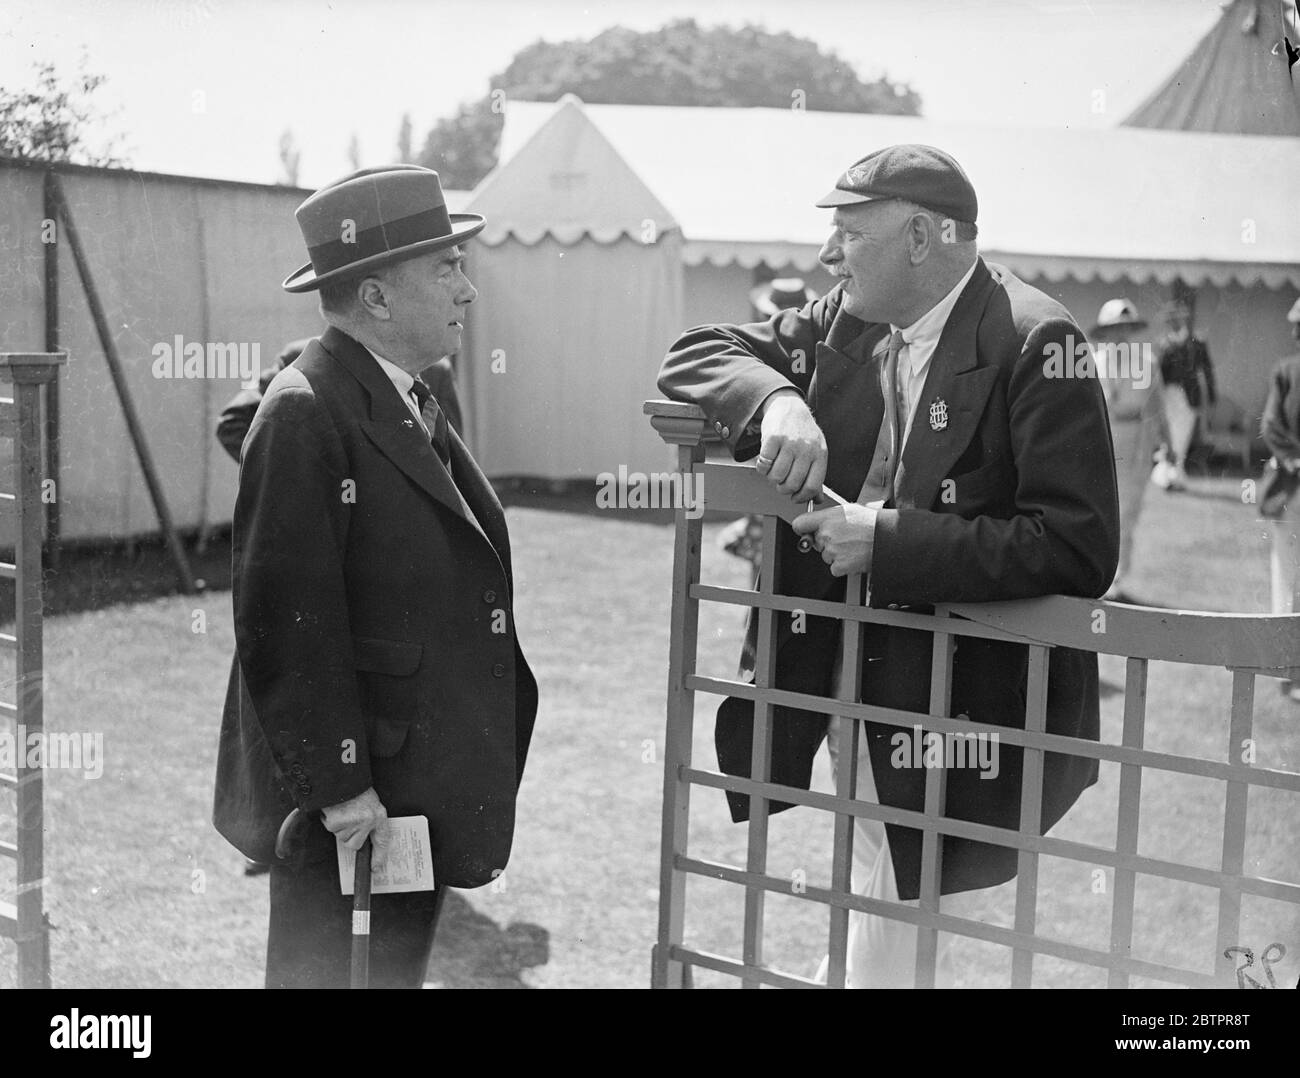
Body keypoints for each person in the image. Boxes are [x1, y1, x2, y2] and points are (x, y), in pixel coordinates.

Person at [658, 143, 1119, 987]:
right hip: (853, 678)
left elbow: (1079, 545)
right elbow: (693, 352)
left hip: (970, 709)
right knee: (887, 884)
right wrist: (777, 399)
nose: (828, 256)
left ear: (919, 238)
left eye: (848, 234)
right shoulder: (853, 313)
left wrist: (890, 540)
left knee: (902, 889)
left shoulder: (1037, 336)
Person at [213, 164, 538, 989]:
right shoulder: (304, 409)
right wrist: (342, 788)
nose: (466, 290)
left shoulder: (406, 394)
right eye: (446, 268)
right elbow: (283, 626)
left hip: (412, 783)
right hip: (358, 802)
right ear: (378, 299)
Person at [217, 341, 467, 463]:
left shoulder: (434, 371)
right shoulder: (303, 356)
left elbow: (452, 455)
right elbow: (233, 424)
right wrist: (300, 471)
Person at [1090, 299, 1163, 602]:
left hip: (1134, 439)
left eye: (1125, 328)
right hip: (1099, 438)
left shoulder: (1146, 362)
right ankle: (1096, 572)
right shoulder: (1089, 361)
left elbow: (1157, 407)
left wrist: (1162, 446)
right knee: (1098, 506)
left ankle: (1119, 577)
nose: (1119, 335)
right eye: (1112, 329)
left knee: (1127, 508)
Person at [1260, 296, 1300, 701]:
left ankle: (1287, 666)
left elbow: (1271, 424)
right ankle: (1285, 667)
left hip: (1293, 482)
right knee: (1288, 575)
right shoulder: (1287, 371)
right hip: (1293, 487)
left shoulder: (1286, 370)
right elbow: (1271, 425)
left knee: (1288, 576)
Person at [1153, 298, 1216, 491]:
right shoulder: (1163, 344)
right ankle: (1169, 476)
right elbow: (1157, 374)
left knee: (1183, 435)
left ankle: (1172, 474)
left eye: (1178, 318)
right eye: (1171, 319)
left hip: (1189, 396)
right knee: (1170, 435)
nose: (1174, 322)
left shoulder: (1198, 341)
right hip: (1169, 396)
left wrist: (1212, 395)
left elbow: (1207, 369)